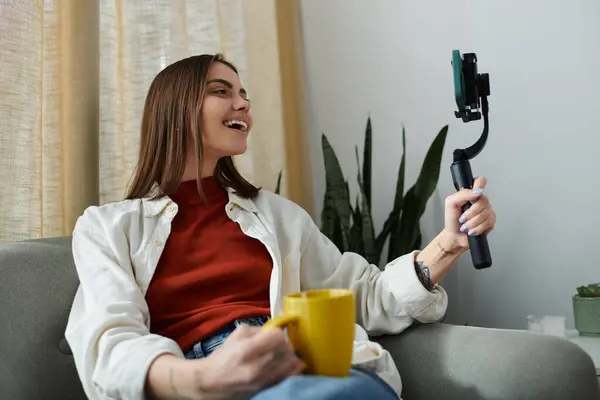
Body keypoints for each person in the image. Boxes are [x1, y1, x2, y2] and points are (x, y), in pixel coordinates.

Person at [65, 53, 496, 400]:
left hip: (305, 364)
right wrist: (201, 379)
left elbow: (363, 297)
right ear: (175, 109)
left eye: (244, 94)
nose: (243, 104)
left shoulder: (276, 215)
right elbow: (110, 343)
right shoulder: (107, 228)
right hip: (201, 376)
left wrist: (448, 244)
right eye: (221, 91)